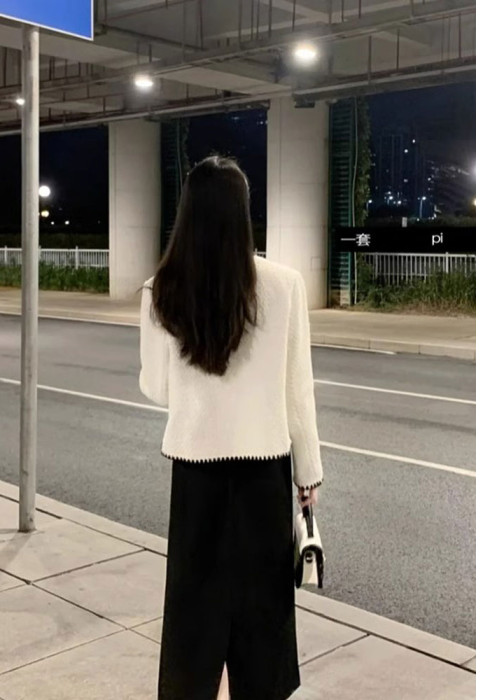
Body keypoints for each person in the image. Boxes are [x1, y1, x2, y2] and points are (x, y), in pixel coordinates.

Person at [138, 155, 323, 700]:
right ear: (244, 212)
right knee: (263, 614)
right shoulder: (285, 285)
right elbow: (298, 391)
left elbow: (158, 389)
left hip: (196, 472)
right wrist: (308, 475)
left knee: (194, 610)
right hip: (265, 472)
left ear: (187, 213)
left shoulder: (161, 289)